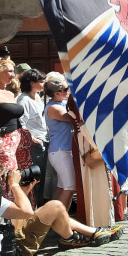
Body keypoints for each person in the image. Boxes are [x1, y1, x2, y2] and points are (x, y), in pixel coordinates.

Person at [0, 166, 121, 256]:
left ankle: (92, 233)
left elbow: (12, 220)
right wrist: (14, 185)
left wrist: (23, 193)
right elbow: (20, 219)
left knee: (50, 211)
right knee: (55, 206)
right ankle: (72, 237)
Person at [0, 59, 35, 202]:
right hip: (4, 140)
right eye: (10, 71)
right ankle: (10, 212)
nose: (13, 75)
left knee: (24, 176)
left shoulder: (10, 93)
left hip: (20, 138)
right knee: (8, 175)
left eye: (13, 71)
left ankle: (26, 212)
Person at [16, 69, 49, 205]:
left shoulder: (38, 97)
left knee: (42, 178)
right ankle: (33, 209)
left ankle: (39, 207)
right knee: (35, 178)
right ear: (31, 83)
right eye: (41, 82)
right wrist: (32, 139)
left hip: (44, 139)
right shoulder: (23, 99)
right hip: (35, 144)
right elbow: (21, 122)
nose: (43, 85)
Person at [44, 74, 75, 210]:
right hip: (60, 151)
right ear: (57, 93)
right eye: (66, 89)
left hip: (63, 150)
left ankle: (61, 218)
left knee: (63, 186)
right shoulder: (54, 107)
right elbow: (72, 118)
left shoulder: (60, 103)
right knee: (69, 187)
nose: (69, 91)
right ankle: (58, 220)